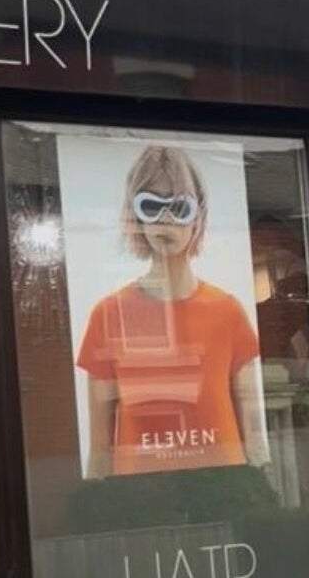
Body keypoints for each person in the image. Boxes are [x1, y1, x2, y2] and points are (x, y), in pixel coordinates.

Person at [77, 145, 270, 478]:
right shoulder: (107, 316)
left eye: (179, 207)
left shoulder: (228, 312)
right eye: (151, 205)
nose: (165, 218)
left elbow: (254, 438)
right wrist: (96, 502)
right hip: (143, 494)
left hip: (222, 489)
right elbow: (99, 450)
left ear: (198, 216)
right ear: (135, 214)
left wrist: (263, 492)